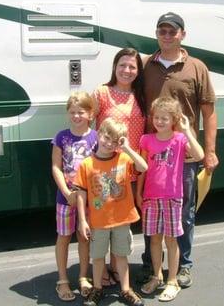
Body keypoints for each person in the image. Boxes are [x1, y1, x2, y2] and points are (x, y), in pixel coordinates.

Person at [141, 12, 219, 288]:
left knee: (183, 213)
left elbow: (209, 113)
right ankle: (153, 266)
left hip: (184, 157)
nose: (166, 35)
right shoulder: (146, 65)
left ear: (182, 35)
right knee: (151, 211)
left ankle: (184, 265)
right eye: (162, 31)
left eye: (172, 31)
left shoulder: (197, 67)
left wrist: (209, 151)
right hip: (151, 157)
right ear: (157, 34)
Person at [136, 97, 204, 301]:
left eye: (165, 118)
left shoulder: (180, 139)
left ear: (174, 119)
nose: (160, 121)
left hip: (172, 197)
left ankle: (172, 280)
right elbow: (141, 171)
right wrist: (138, 194)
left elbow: (199, 155)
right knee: (154, 240)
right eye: (157, 117)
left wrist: (186, 130)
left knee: (171, 240)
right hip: (150, 197)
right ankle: (156, 276)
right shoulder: (146, 140)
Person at [75, 118, 147, 306]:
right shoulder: (87, 164)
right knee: (98, 257)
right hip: (98, 221)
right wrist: (83, 220)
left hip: (122, 219)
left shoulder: (123, 158)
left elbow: (143, 167)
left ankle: (126, 290)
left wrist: (127, 148)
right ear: (99, 134)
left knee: (121, 256)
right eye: (107, 137)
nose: (109, 143)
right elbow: (81, 194)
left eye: (115, 141)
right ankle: (97, 289)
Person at [92, 47, 147, 285]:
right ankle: (101, 270)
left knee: (123, 222)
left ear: (138, 71)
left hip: (131, 168)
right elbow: (88, 125)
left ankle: (116, 268)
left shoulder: (141, 95)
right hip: (105, 170)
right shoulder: (102, 93)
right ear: (115, 67)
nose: (127, 70)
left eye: (132, 67)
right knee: (104, 220)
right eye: (122, 65)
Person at [51, 92, 97, 302]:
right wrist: (67, 192)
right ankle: (62, 280)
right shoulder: (61, 137)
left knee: (84, 237)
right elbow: (56, 167)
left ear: (90, 114)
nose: (77, 116)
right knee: (64, 237)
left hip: (88, 200)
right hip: (66, 198)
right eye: (73, 112)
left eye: (81, 112)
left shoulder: (96, 137)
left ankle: (83, 276)